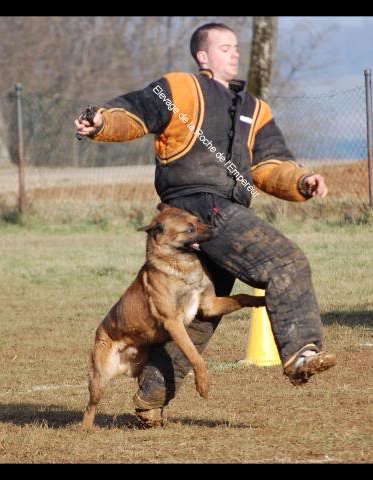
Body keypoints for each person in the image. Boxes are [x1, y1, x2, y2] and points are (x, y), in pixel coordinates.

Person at [74, 22, 336, 428]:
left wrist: (301, 180)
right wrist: (102, 122)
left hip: (225, 207)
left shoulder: (254, 108)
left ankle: (151, 399)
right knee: (285, 262)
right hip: (195, 207)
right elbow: (135, 113)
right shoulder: (180, 89)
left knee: (199, 316)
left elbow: (269, 165)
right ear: (202, 56)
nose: (235, 53)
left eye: (236, 47)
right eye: (225, 47)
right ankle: (302, 352)